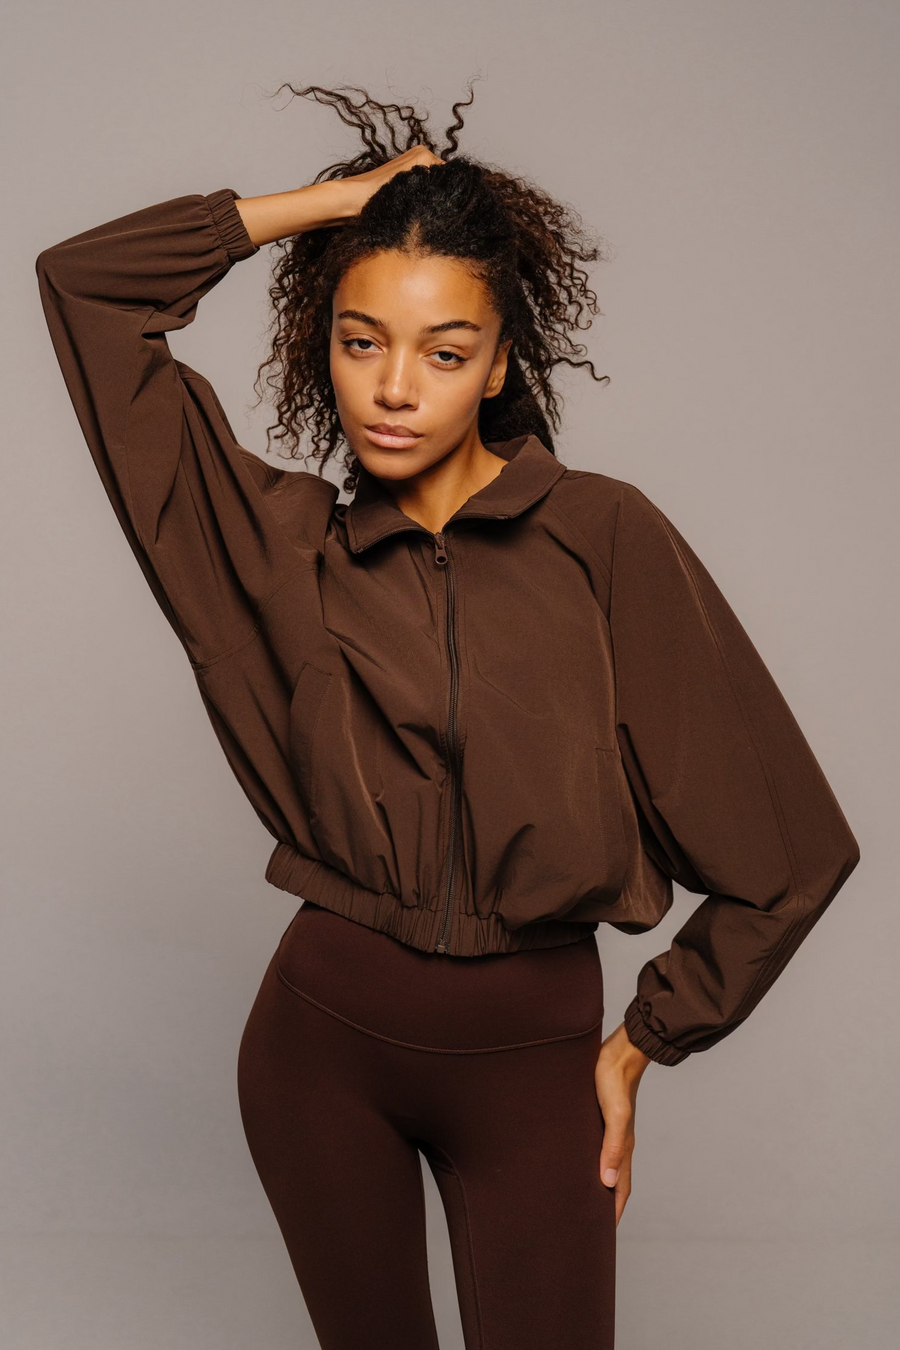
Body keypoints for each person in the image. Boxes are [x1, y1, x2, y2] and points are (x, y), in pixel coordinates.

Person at [35, 82, 859, 1350]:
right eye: (361, 340)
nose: (396, 388)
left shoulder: (605, 539)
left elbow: (791, 853)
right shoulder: (276, 548)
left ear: (502, 360)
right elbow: (85, 286)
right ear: (322, 340)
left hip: (533, 1067)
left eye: (444, 349)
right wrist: (332, 209)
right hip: (317, 1053)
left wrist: (644, 1044)